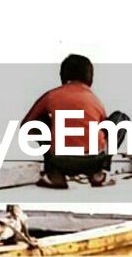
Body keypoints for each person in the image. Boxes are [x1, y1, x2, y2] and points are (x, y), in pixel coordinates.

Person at [22, 54, 114, 188]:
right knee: (119, 118)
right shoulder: (94, 100)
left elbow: (26, 125)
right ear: (90, 78)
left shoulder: (51, 95)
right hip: (93, 161)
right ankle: (100, 173)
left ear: (62, 76)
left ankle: (54, 174)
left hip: (61, 161)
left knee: (39, 121)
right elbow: (104, 131)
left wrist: (52, 129)